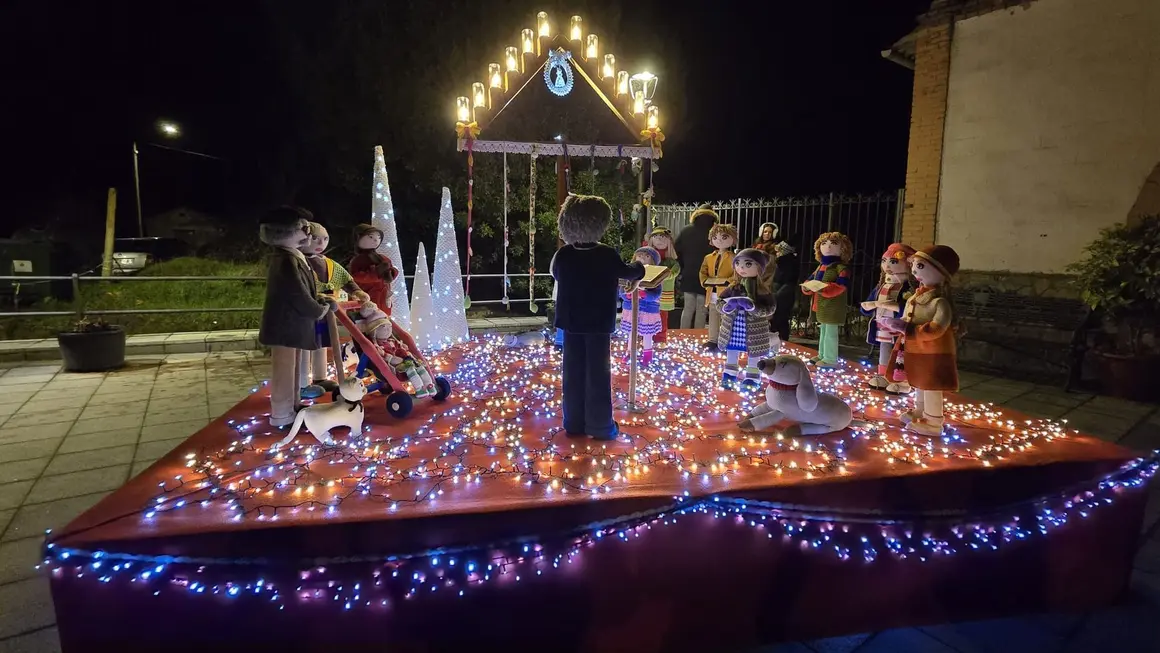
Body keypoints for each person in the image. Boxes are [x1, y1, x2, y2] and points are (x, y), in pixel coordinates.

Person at [552, 195, 646, 441]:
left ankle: (573, 422)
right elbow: (629, 272)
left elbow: (557, 274)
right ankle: (600, 425)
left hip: (571, 321)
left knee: (572, 373)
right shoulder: (606, 254)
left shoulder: (563, 254)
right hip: (598, 322)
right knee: (598, 373)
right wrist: (640, 266)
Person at [258, 206, 336, 428]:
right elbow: (296, 293)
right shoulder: (285, 259)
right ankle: (282, 414)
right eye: (303, 229)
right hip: (285, 324)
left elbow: (303, 289)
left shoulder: (292, 256)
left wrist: (318, 300)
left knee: (292, 369)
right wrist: (318, 309)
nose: (308, 234)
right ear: (283, 232)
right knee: (284, 370)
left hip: (293, 323)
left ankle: (293, 405)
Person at [301, 222, 369, 396]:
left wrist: (357, 291)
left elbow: (345, 279)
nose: (320, 243)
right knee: (304, 347)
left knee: (321, 345)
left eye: (325, 239)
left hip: (326, 313)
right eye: (315, 238)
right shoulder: (299, 262)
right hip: (305, 313)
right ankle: (301, 383)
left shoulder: (329, 263)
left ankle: (319, 377)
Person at [716, 248, 777, 390]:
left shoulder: (763, 291)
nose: (741, 268)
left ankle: (752, 377)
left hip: (754, 331)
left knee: (753, 354)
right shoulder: (733, 287)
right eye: (738, 264)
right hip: (733, 329)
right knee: (731, 351)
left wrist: (753, 307)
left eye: (748, 264)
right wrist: (727, 307)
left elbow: (770, 308)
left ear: (759, 268)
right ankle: (729, 374)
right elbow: (719, 302)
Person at [674, 203, 718, 330]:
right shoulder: (715, 232)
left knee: (688, 308)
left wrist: (684, 267)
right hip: (707, 276)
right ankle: (697, 336)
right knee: (702, 309)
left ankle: (683, 334)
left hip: (689, 273)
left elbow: (677, 252)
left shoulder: (686, 230)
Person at [619, 247, 664, 366]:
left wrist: (644, 294)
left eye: (647, 256)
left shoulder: (656, 275)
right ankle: (630, 352)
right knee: (631, 333)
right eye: (639, 256)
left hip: (647, 310)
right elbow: (621, 289)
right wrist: (627, 295)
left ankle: (647, 354)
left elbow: (656, 293)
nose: (642, 258)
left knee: (647, 334)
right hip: (631, 308)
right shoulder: (629, 272)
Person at [699, 223, 737, 349]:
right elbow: (703, 271)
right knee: (713, 317)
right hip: (712, 291)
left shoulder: (733, 257)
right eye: (715, 237)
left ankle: (726, 341)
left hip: (726, 293)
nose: (719, 240)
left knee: (726, 318)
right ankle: (712, 340)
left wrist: (728, 282)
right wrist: (704, 281)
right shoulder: (709, 257)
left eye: (724, 237)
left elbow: (737, 274)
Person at [348, 224, 399, 311]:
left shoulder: (383, 258)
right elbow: (356, 277)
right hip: (367, 296)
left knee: (384, 315)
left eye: (379, 237)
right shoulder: (358, 260)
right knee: (367, 314)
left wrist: (391, 273)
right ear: (358, 238)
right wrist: (376, 272)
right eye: (371, 237)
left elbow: (392, 271)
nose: (376, 240)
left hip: (383, 295)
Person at [644, 227, 679, 345]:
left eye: (663, 237)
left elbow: (674, 272)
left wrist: (662, 275)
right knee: (647, 314)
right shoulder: (648, 259)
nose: (659, 240)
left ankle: (661, 338)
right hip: (649, 292)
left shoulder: (671, 261)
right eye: (656, 237)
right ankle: (646, 336)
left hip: (664, 293)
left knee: (663, 316)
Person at [769, 238, 799, 342]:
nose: (777, 252)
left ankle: (781, 339)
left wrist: (777, 294)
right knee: (779, 318)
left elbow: (790, 280)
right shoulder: (781, 261)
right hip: (779, 292)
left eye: (779, 250)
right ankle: (780, 339)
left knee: (780, 318)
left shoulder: (787, 262)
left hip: (783, 294)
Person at [753, 221, 780, 288]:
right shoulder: (757, 244)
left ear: (774, 234)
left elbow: (771, 263)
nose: (767, 234)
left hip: (766, 276)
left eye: (770, 232)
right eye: (765, 231)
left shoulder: (776, 246)